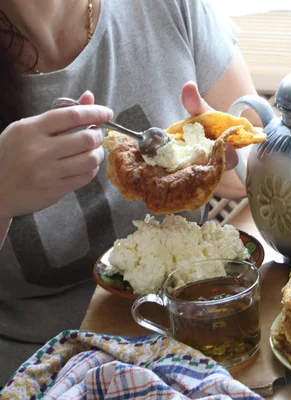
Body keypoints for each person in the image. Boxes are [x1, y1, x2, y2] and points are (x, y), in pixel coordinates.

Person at [0, 0, 258, 384]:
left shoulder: (169, 7)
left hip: (202, 350)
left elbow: (252, 171)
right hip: (43, 375)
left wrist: (218, 150)